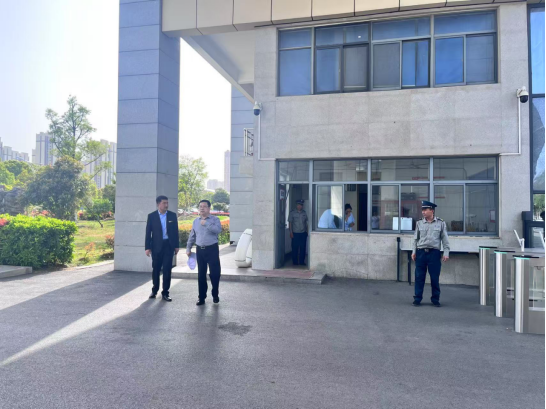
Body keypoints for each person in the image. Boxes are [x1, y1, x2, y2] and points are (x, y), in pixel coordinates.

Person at [412, 201, 450, 307]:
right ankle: (417, 298)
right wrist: (414, 252)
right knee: (419, 277)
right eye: (422, 210)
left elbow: (445, 239)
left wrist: (446, 252)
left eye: (425, 210)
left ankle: (435, 299)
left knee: (434, 278)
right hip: (421, 253)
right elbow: (415, 239)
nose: (423, 212)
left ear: (432, 210)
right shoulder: (419, 223)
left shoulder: (440, 223)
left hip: (434, 253)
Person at [187, 200, 223, 306]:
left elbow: (218, 230)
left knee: (215, 274)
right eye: (200, 206)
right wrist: (188, 248)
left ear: (209, 208)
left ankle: (215, 294)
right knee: (201, 275)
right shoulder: (195, 221)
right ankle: (201, 297)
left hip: (212, 249)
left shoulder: (215, 219)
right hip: (200, 250)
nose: (202, 208)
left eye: (204, 206)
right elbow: (192, 236)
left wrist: (206, 223)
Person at [145, 196, 180, 302]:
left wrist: (176, 246)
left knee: (167, 269)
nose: (166, 205)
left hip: (168, 246)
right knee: (156, 269)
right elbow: (148, 233)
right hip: (156, 246)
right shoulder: (152, 216)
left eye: (167, 203)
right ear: (158, 204)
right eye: (164, 203)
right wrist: (147, 247)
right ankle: (154, 290)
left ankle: (165, 292)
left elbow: (175, 231)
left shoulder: (172, 215)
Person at [288, 199, 309, 266]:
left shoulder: (304, 213)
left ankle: (302, 262)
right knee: (295, 248)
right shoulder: (292, 213)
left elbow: (306, 223)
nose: (299, 206)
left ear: (302, 206)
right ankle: (295, 262)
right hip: (295, 233)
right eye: (298, 205)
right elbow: (290, 223)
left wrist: (307, 232)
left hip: (303, 233)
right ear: (296, 205)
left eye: (301, 205)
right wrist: (291, 232)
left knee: (303, 248)